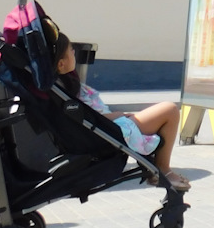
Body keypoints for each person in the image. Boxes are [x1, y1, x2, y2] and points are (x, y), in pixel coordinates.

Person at [54, 33, 191, 192]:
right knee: (170, 110)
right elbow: (86, 118)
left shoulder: (58, 86)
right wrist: (116, 115)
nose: (74, 53)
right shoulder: (63, 89)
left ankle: (158, 164)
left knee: (163, 113)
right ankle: (163, 170)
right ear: (61, 64)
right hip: (108, 129)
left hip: (104, 126)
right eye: (71, 50)